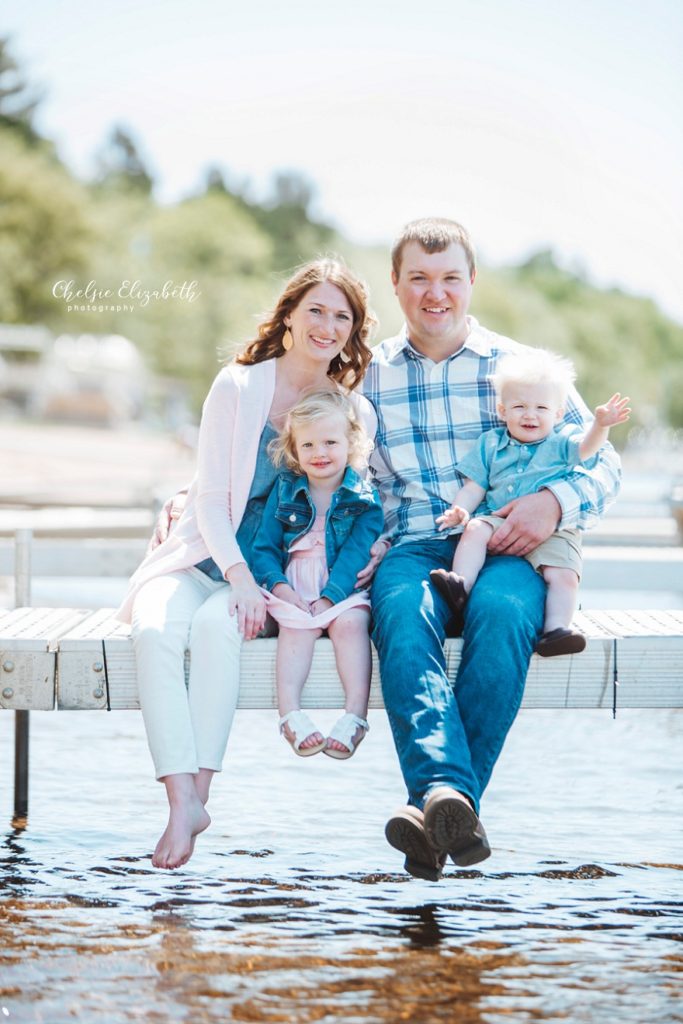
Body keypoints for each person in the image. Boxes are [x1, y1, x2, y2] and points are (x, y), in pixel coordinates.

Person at [362, 218, 622, 881]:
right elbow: (318, 458)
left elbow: (602, 463)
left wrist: (553, 504)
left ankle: (436, 810)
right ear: (395, 284)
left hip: (509, 550)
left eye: (449, 277)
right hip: (415, 547)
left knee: (506, 616)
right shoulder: (368, 376)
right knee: (398, 617)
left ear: (470, 282)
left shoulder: (521, 369)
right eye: (418, 278)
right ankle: (451, 800)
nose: (435, 293)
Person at [116, 257, 380, 870]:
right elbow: (209, 496)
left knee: (217, 631)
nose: (327, 325)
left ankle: (197, 799)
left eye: (342, 317)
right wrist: (235, 578)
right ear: (288, 315)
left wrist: (358, 565)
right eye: (315, 309)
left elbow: (355, 505)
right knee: (154, 628)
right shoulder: (237, 385)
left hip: (271, 578)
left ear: (351, 332)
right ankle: (180, 799)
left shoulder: (347, 409)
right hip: (204, 558)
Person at [429, 348, 630, 657]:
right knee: (475, 530)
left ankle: (557, 629)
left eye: (540, 407)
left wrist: (601, 425)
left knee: (563, 574)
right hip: (499, 517)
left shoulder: (563, 441)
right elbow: (474, 487)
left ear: (558, 413)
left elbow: (588, 450)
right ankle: (461, 585)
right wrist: (461, 511)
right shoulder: (491, 443)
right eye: (519, 406)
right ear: (502, 410)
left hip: (555, 530)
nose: (530, 415)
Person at [251, 388, 384, 759]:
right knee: (296, 629)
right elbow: (263, 547)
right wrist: (281, 588)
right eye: (308, 445)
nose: (320, 453)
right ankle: (290, 715)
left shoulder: (363, 498)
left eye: (330, 442)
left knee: (352, 623)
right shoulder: (285, 490)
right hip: (294, 585)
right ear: (294, 450)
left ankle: (355, 716)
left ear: (351, 443)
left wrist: (332, 596)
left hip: (341, 585)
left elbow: (358, 552)